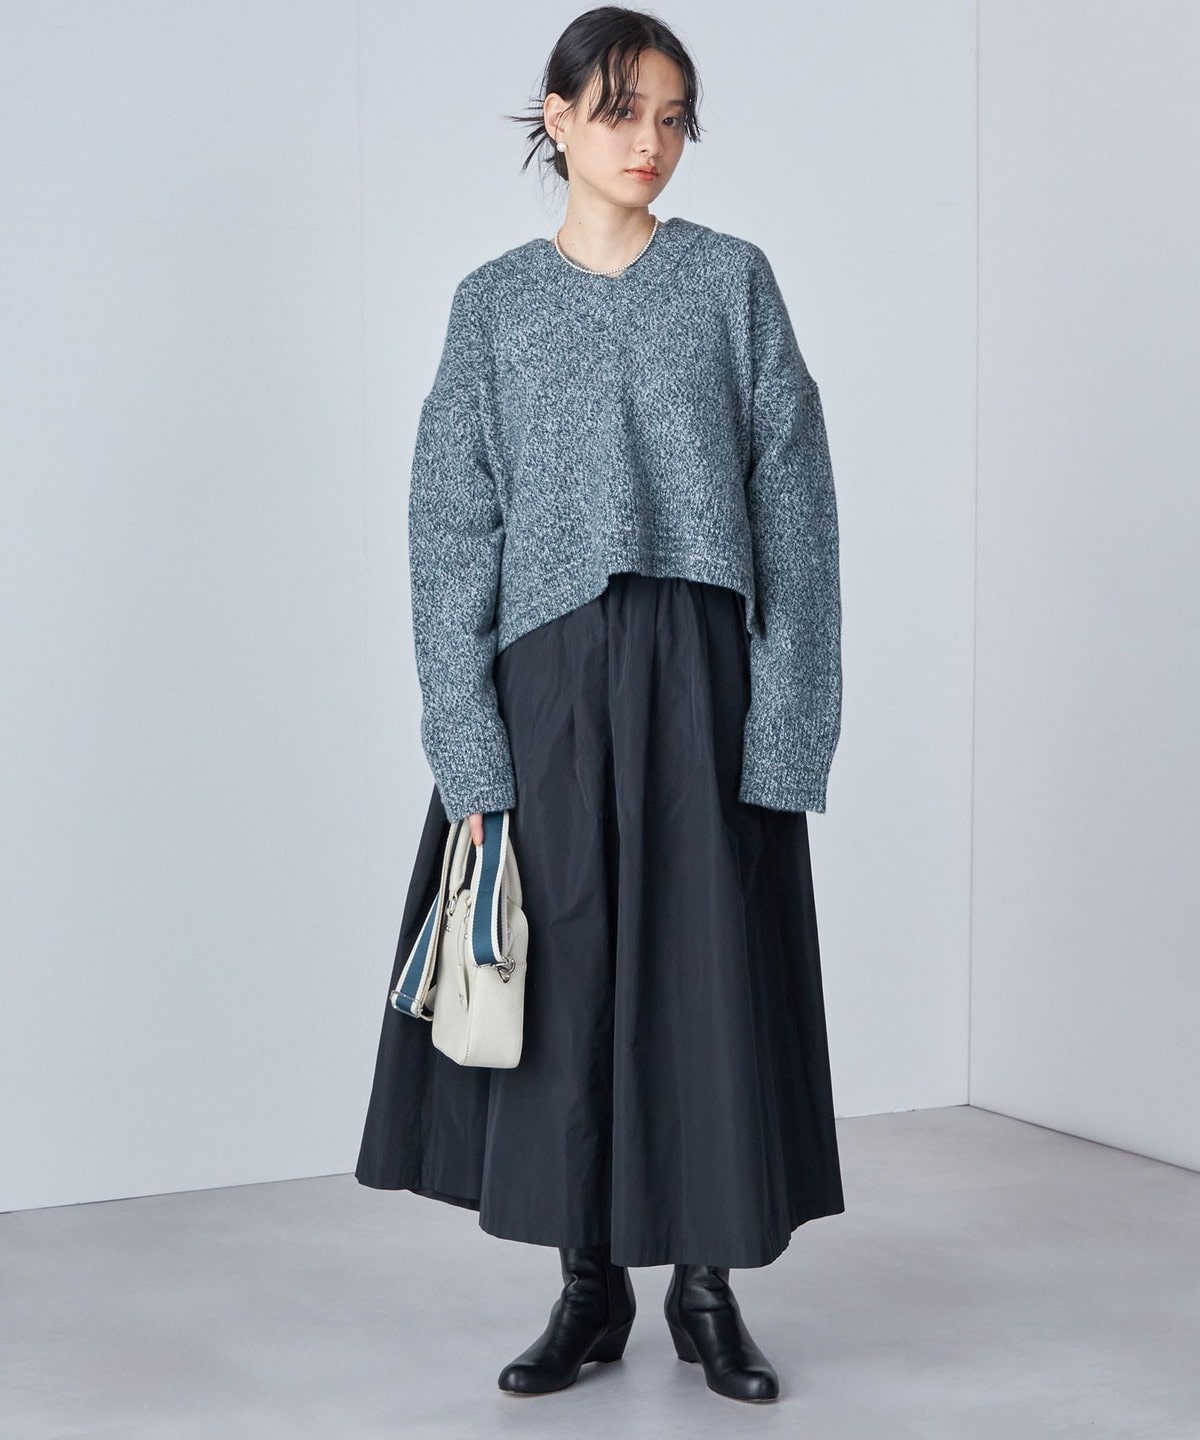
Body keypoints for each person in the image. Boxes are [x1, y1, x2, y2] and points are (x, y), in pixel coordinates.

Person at [355, 4, 845, 1405]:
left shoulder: (733, 281)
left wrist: (788, 724)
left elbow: (796, 513)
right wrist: (467, 741)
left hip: (704, 677)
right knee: (560, 979)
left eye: (673, 117)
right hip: (549, 682)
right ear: (558, 117)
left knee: (708, 977)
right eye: (623, 110)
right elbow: (451, 527)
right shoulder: (494, 305)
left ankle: (706, 1288)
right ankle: (587, 1288)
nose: (650, 141)